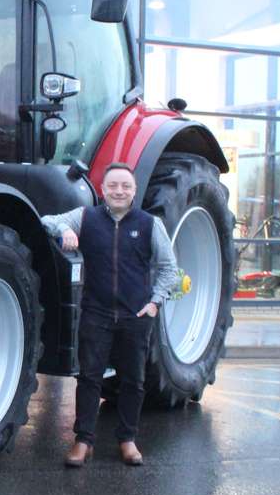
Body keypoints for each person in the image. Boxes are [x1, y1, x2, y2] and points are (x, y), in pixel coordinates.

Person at [42, 162, 179, 467]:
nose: (119, 191)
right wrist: (64, 229)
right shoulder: (86, 217)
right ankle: (83, 441)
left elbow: (170, 269)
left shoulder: (149, 224)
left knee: (133, 380)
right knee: (89, 377)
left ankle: (128, 439)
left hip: (136, 315)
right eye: (113, 185)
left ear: (134, 191)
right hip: (96, 313)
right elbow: (46, 220)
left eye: (125, 186)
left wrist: (155, 303)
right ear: (103, 190)